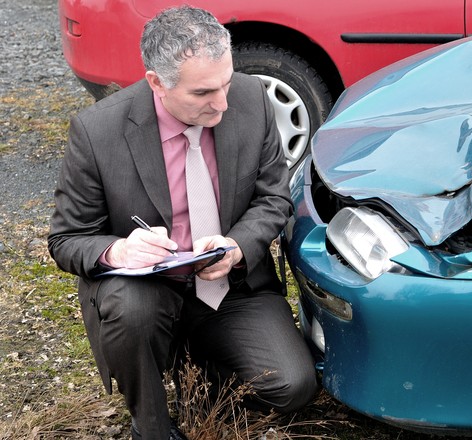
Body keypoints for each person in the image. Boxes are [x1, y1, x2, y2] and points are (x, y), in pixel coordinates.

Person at [48, 6, 317, 439]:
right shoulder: (97, 132)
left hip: (232, 286)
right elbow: (66, 238)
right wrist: (118, 250)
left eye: (226, 83)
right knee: (131, 311)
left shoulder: (251, 100)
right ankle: (150, 422)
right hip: (146, 289)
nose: (223, 103)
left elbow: (273, 198)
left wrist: (237, 247)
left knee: (293, 386)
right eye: (203, 93)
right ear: (157, 82)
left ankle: (201, 367)